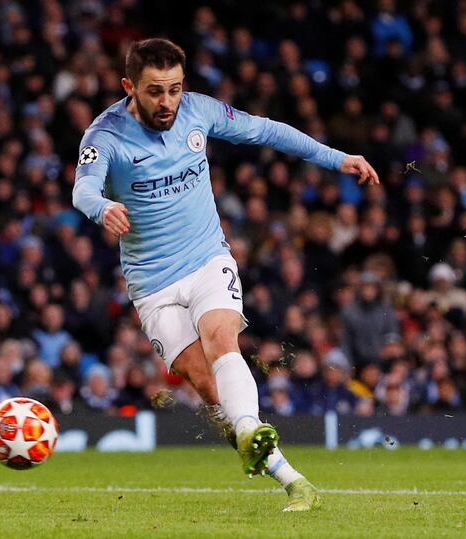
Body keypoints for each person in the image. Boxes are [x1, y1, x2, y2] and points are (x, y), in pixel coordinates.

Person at [72, 38, 379, 512]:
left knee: (221, 338)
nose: (167, 102)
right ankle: (281, 469)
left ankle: (278, 462)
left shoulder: (199, 111)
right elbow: (83, 189)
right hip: (151, 284)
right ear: (129, 86)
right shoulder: (105, 135)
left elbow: (267, 132)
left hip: (206, 259)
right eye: (155, 91)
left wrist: (336, 158)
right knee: (205, 382)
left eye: (175, 89)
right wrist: (103, 207)